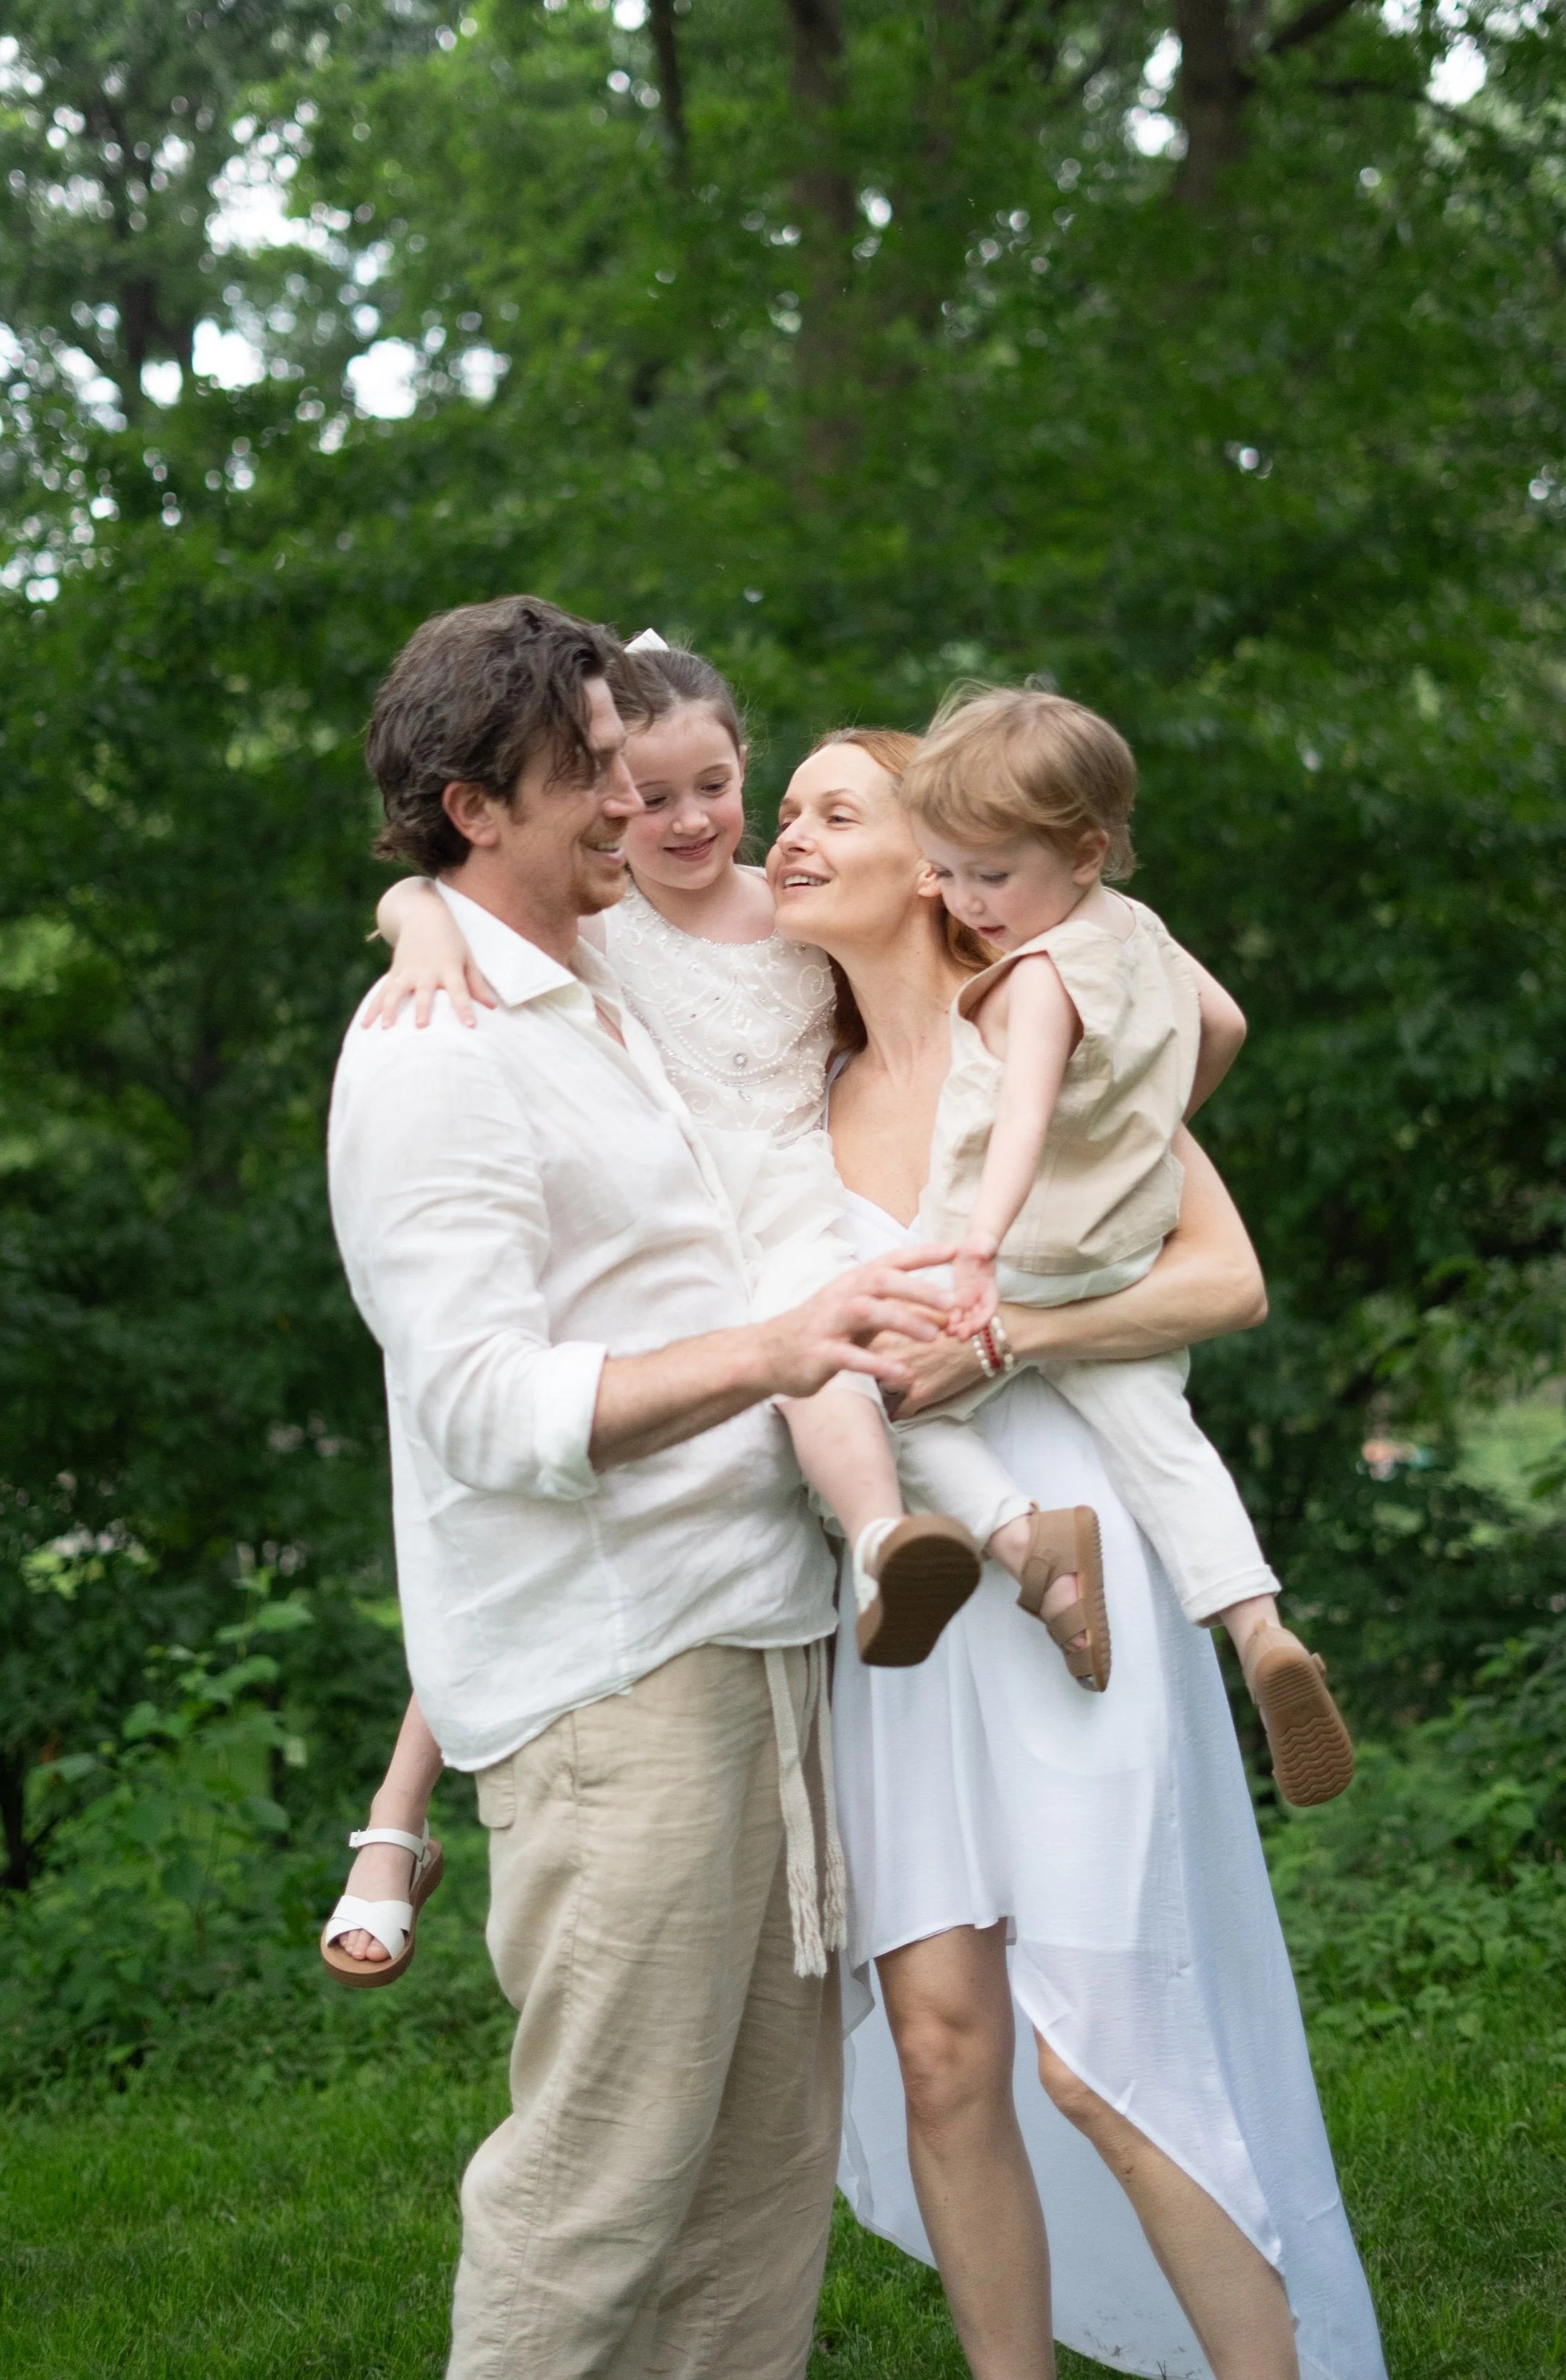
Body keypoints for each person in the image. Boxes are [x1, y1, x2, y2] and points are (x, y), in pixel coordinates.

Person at [324, 594, 961, 2380]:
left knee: (756, 2192)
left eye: (631, 759)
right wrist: (775, 1350)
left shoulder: (589, 974)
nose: (634, 799)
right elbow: (472, 1401)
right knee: (598, 2201)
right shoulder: (431, 1054)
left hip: (757, 1641)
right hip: (616, 1690)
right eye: (590, 772)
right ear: (477, 809)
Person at [326, 643, 1115, 1984]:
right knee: (514, 1470)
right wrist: (418, 915)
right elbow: (457, 896)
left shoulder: (792, 914)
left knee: (831, 1361)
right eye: (642, 789)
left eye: (720, 786)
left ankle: (896, 1545)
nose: (684, 820)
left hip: (786, 1204)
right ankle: (391, 1822)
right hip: (693, 1242)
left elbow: (975, 960)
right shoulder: (597, 922)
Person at [769, 725, 1388, 2380]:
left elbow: (1222, 1283)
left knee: (1108, 2052)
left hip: (1076, 1562)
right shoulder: (796, 1103)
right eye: (782, 812)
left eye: (832, 809)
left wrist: (1015, 1334)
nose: (782, 837)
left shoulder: (1049, 1040)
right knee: (942, 2048)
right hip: (915, 1592)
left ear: (938, 863)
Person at [894, 682, 1354, 1805]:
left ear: (1087, 850)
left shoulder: (1040, 976)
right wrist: (1152, 1128)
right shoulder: (1140, 933)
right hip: (1123, 1250)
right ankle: (1259, 1631)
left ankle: (1026, 1545)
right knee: (1163, 1441)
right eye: (946, 871)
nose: (964, 901)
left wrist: (981, 1247)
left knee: (889, 1407)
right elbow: (1228, 1022)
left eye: (989, 875)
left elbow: (1024, 1120)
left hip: (1020, 1247)